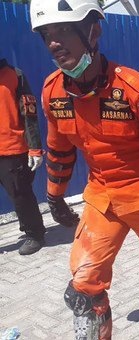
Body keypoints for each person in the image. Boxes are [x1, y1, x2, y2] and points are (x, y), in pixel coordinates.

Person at [30, 0, 139, 338]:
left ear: (93, 30)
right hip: (101, 197)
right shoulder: (53, 92)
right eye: (47, 34)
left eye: (65, 30)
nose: (54, 42)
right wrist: (54, 197)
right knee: (83, 286)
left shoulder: (138, 92)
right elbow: (59, 150)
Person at [0, 59, 47, 255]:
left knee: (21, 195)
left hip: (11, 149)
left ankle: (35, 233)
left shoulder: (14, 75)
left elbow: (29, 113)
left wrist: (35, 148)